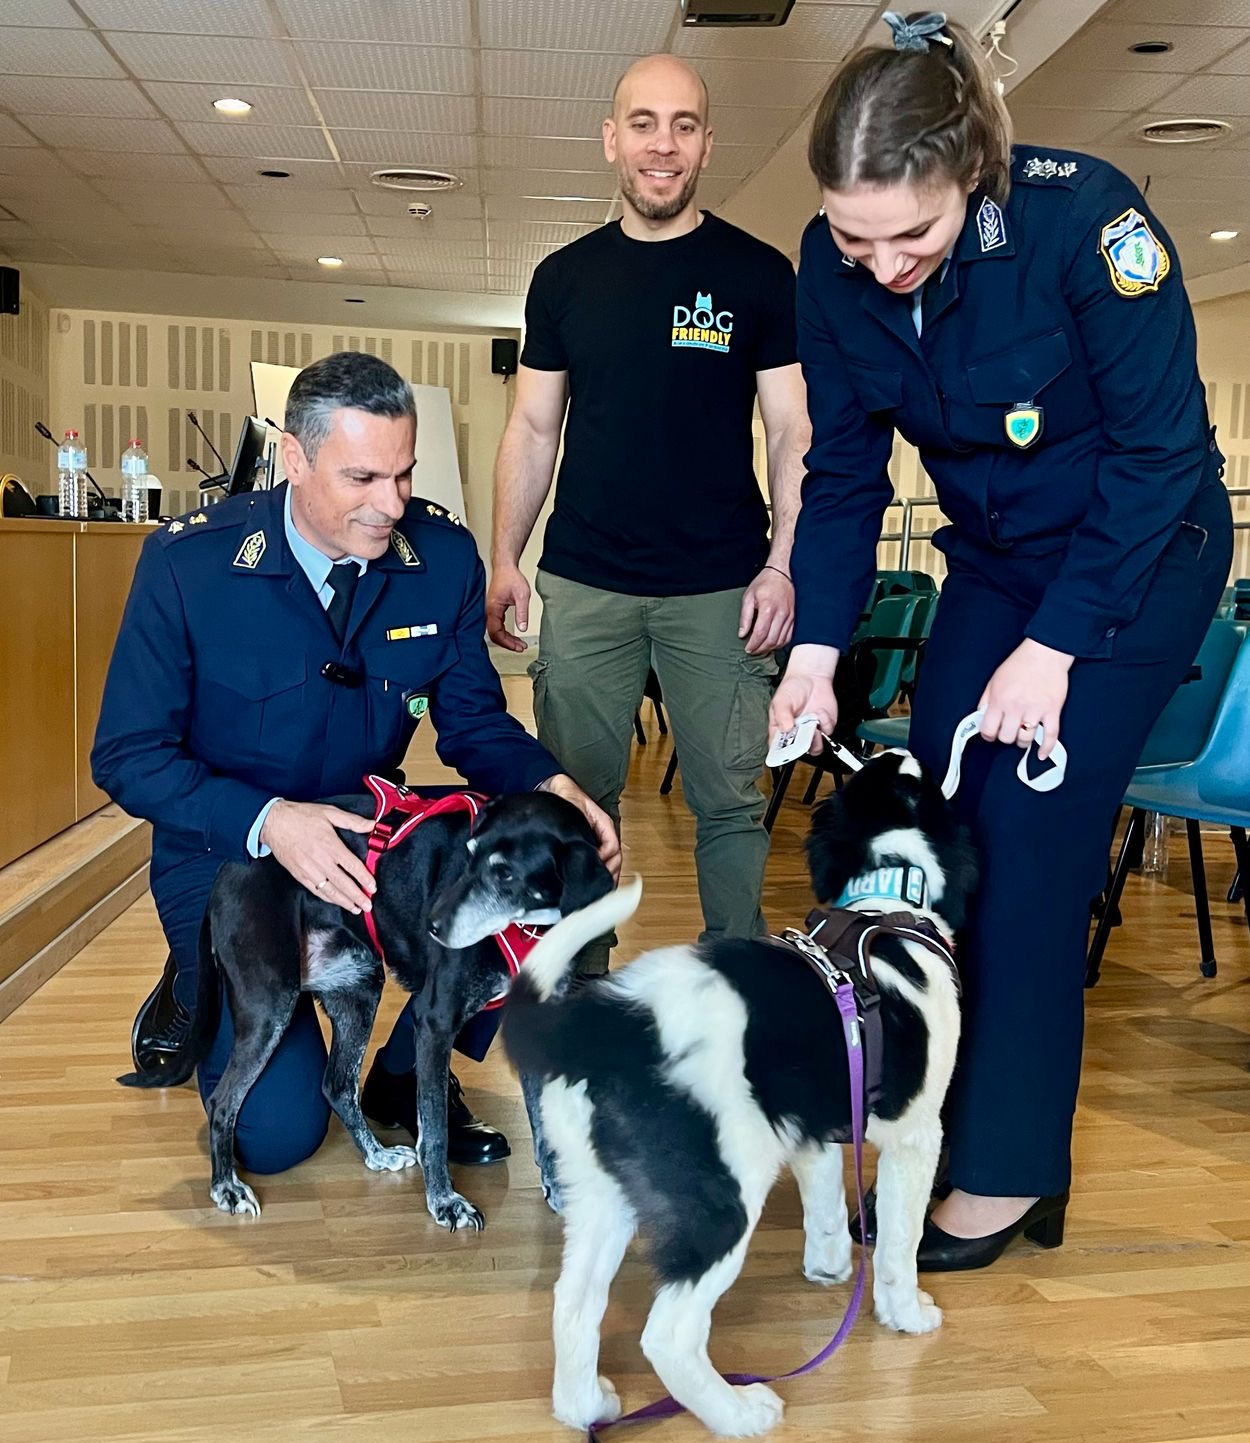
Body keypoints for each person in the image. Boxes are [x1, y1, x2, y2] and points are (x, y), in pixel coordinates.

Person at [771, 10, 1233, 1269]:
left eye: (909, 235)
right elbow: (842, 471)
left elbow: (1159, 458)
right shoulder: (827, 263)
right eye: (853, 237)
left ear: (969, 173)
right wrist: (814, 651)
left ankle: (1006, 1171)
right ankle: (937, 1122)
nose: (879, 264)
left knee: (1026, 846)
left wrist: (1056, 646)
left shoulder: (1085, 225)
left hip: (1139, 557)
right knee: (941, 835)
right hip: (990, 558)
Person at [93, 351, 617, 1178]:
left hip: (366, 839)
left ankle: (406, 1075)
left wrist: (550, 786)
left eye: (404, 474)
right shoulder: (188, 565)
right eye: (364, 478)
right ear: (294, 459)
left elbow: (473, 723)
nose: (392, 504)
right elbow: (127, 756)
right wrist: (272, 822)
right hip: (229, 853)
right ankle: (201, 973)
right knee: (275, 1136)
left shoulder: (442, 559)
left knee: (526, 865)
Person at [487, 53, 810, 971]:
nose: (662, 145)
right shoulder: (564, 278)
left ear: (706, 143)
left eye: (683, 125)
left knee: (731, 802)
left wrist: (784, 563)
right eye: (643, 123)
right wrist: (504, 558)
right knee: (575, 803)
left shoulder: (758, 275)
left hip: (723, 586)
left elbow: (793, 430)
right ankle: (582, 994)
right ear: (610, 140)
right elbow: (533, 425)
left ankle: (735, 985)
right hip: (587, 579)